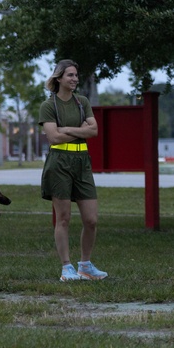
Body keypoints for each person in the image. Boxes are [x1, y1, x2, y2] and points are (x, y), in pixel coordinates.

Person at [39, 60, 107, 282]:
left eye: (76, 75)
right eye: (70, 75)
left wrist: (66, 128)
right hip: (59, 162)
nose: (75, 79)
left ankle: (85, 265)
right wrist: (80, 131)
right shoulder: (49, 106)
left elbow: (94, 130)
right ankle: (66, 267)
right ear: (59, 78)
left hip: (82, 161)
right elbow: (54, 137)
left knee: (91, 219)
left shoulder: (82, 102)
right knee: (64, 218)